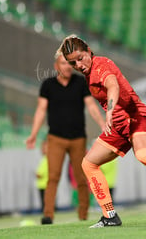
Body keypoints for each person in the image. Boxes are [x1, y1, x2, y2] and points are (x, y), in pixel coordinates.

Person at [59, 34, 146, 228]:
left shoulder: (100, 66)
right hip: (118, 126)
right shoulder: (89, 73)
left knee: (144, 154)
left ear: (89, 51)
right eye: (73, 63)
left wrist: (110, 111)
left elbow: (112, 86)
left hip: (135, 116)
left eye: (80, 58)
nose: (79, 65)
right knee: (88, 164)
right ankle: (109, 216)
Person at [26, 51, 106, 225]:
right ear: (56, 66)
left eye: (70, 64)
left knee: (81, 177)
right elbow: (40, 110)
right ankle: (48, 215)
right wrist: (33, 134)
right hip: (55, 138)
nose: (67, 67)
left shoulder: (80, 83)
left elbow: (91, 105)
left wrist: (102, 123)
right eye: (63, 64)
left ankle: (83, 215)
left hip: (78, 138)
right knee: (53, 176)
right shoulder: (47, 85)